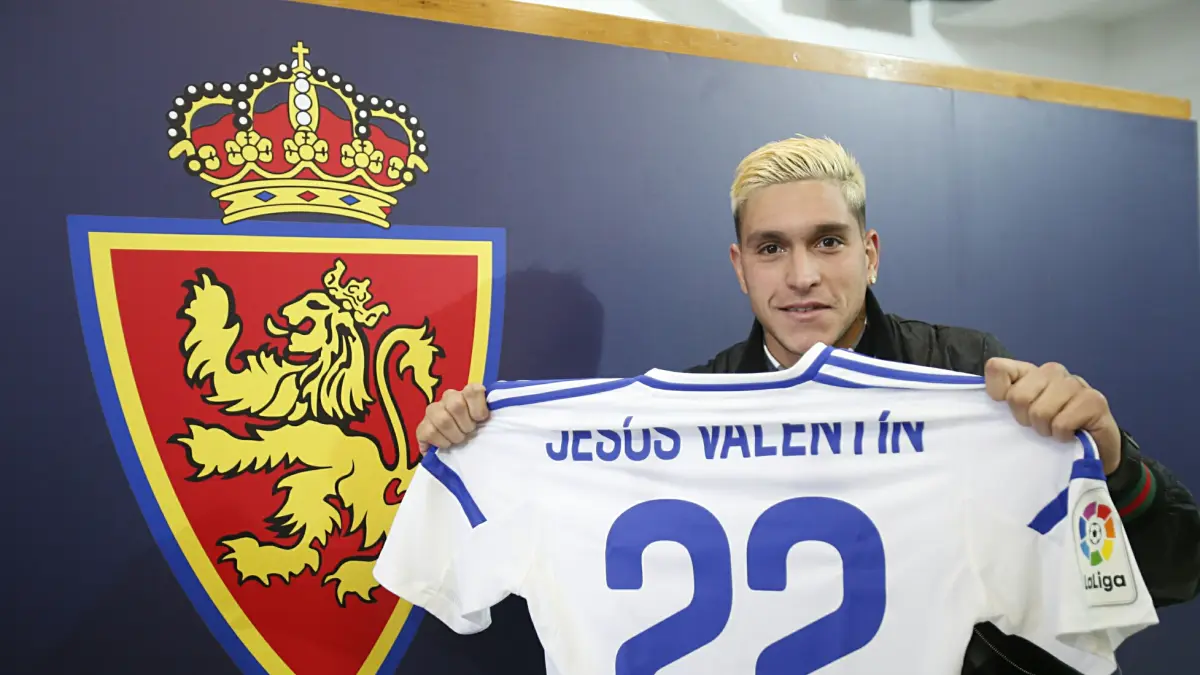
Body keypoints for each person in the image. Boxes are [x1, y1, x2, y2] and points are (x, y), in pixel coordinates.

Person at [412, 136, 1200, 674]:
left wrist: (1110, 461)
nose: (802, 276)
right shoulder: (681, 418)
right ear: (739, 267)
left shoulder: (975, 383)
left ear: (870, 252)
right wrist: (476, 447)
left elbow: (1176, 568)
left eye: (828, 241)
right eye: (771, 248)